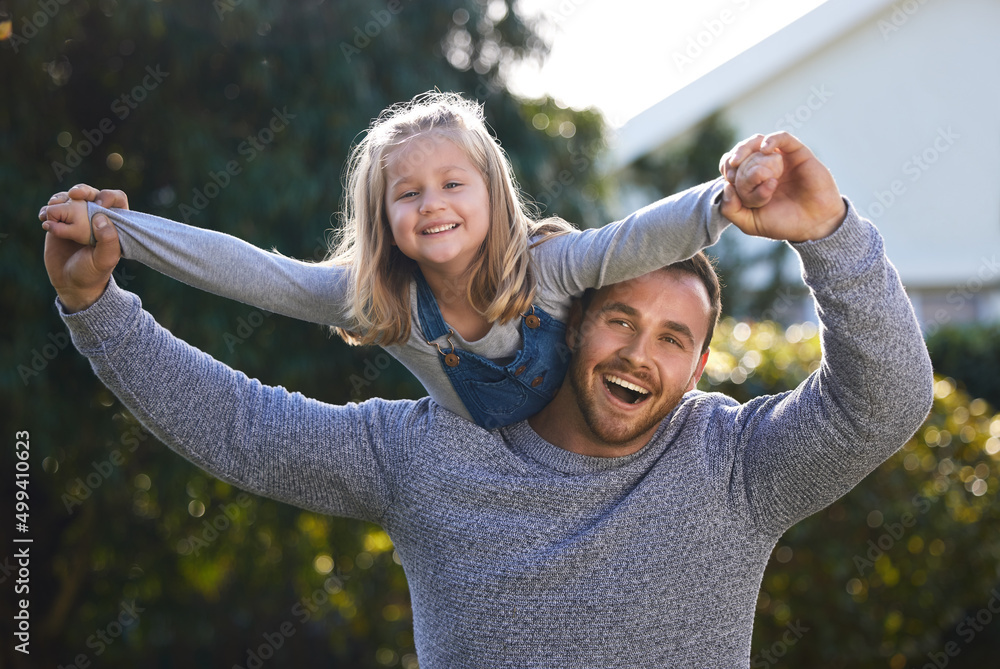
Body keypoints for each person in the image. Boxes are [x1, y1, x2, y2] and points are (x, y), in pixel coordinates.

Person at [44, 131, 934, 667]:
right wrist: (96, 307)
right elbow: (241, 428)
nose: (639, 353)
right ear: (567, 322)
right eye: (621, 320)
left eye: (673, 338)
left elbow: (886, 401)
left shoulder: (734, 462)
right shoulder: (426, 453)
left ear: (700, 365)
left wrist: (831, 236)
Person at [38, 91, 777, 429]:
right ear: (382, 220)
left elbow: (637, 238)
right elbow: (255, 272)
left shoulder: (548, 268)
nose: (432, 204)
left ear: (492, 195)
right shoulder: (378, 303)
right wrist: (117, 230)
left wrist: (724, 198)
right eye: (408, 193)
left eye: (453, 184)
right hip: (474, 467)